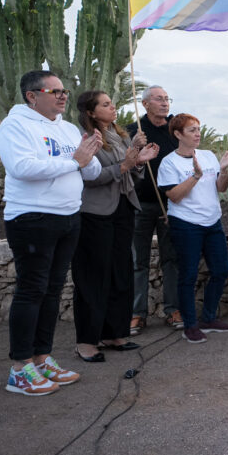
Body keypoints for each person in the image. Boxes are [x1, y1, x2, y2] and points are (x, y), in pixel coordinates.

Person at [0, 70, 102, 395]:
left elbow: (90, 171)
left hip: (68, 218)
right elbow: (22, 168)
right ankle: (20, 369)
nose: (62, 95)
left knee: (53, 291)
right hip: (32, 218)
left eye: (64, 90)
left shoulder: (68, 129)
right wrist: (76, 161)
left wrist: (90, 156)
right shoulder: (15, 125)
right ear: (32, 96)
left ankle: (42, 359)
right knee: (31, 290)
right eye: (54, 90)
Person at [70, 91, 159, 362]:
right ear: (91, 112)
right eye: (106, 105)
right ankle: (87, 341)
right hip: (95, 212)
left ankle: (114, 333)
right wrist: (125, 165)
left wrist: (138, 162)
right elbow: (90, 177)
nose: (113, 108)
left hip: (123, 208)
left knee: (121, 271)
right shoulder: (85, 139)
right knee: (93, 276)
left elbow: (131, 172)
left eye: (113, 103)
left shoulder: (120, 136)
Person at [157, 113, 228, 343]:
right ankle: (190, 325)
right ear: (177, 134)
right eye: (192, 130)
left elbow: (221, 188)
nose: (198, 133)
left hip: (212, 222)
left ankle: (209, 318)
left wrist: (223, 170)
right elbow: (174, 196)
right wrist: (195, 175)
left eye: (198, 128)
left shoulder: (208, 156)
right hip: (185, 225)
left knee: (221, 270)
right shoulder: (169, 162)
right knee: (188, 275)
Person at [127, 86, 181, 335]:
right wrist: (134, 147)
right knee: (139, 261)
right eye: (159, 99)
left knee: (171, 259)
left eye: (167, 99)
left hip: (172, 204)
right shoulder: (133, 131)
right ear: (145, 103)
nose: (165, 103)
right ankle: (137, 313)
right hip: (140, 204)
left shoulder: (176, 129)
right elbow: (124, 164)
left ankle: (172, 310)